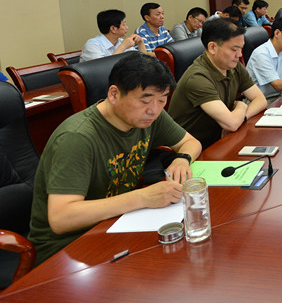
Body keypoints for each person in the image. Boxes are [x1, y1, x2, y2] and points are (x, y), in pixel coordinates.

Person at [29, 53, 202, 265]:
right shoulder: (77, 138)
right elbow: (61, 218)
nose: (155, 110)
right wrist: (143, 197)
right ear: (114, 94)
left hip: (118, 224)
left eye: (162, 99)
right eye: (145, 100)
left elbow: (191, 142)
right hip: (68, 250)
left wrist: (181, 159)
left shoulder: (148, 117)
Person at [169, 18, 267, 149]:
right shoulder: (197, 78)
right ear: (212, 47)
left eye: (241, 48)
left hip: (222, 139)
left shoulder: (233, 66)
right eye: (234, 49)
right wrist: (241, 106)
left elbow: (260, 99)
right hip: (195, 149)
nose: (239, 55)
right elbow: (231, 124)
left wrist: (241, 116)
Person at [80, 9, 148, 62]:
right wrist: (123, 46)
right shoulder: (92, 45)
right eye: (124, 24)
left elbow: (143, 61)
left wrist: (141, 43)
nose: (127, 27)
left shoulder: (120, 41)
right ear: (113, 29)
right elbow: (104, 68)